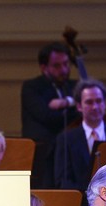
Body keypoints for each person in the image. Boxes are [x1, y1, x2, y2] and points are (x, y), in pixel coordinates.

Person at [21, 42, 79, 189]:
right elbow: (46, 116)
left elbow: (82, 110)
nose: (64, 70)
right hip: (44, 156)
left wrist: (66, 102)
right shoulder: (32, 87)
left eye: (66, 64)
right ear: (44, 68)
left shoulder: (75, 87)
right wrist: (73, 107)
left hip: (69, 155)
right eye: (57, 66)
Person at [54, 78, 106, 191]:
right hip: (80, 204)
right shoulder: (66, 139)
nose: (95, 107)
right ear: (79, 106)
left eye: (99, 101)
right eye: (89, 102)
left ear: (105, 103)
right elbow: (62, 182)